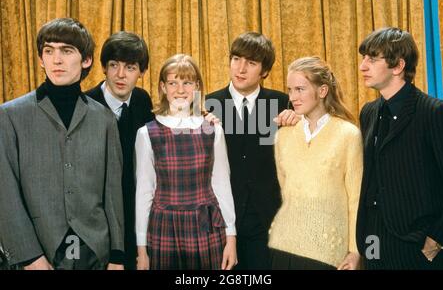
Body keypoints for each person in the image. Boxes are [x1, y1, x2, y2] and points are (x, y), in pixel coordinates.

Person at [0, 18, 124, 270]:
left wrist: (117, 256)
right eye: (49, 51)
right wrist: (29, 257)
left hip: (95, 252)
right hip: (38, 252)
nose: (56, 60)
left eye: (67, 51)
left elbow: (113, 193)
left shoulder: (105, 119)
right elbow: (5, 193)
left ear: (86, 60)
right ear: (40, 59)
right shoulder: (10, 116)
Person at [356, 27, 443, 269]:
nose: (362, 66)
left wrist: (436, 238)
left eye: (372, 59)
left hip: (417, 246)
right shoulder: (369, 112)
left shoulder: (434, 113)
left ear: (398, 66)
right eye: (363, 58)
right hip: (373, 240)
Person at [135, 54, 237, 270]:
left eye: (187, 83)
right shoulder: (147, 133)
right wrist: (141, 250)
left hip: (206, 226)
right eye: (173, 83)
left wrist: (231, 237)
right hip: (164, 227)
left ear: (197, 86)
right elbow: (144, 193)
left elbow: (221, 185)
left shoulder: (213, 129)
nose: (180, 90)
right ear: (163, 87)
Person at [268, 57, 362, 270]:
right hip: (285, 248)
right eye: (290, 90)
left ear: (322, 91)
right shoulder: (283, 135)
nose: (293, 97)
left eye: (300, 89)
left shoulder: (348, 135)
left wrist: (356, 250)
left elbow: (356, 199)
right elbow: (286, 191)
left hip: (328, 253)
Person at [206, 32, 290, 269]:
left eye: (251, 63)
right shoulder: (207, 105)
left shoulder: (283, 103)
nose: (240, 68)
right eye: (236, 59)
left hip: (268, 222)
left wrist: (296, 120)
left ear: (264, 71)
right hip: (220, 222)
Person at [85, 31, 154, 269]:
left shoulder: (142, 101)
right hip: (98, 221)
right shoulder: (85, 105)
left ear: (142, 72)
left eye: (130, 67)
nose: (121, 75)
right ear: (104, 67)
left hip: (134, 214)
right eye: (114, 65)